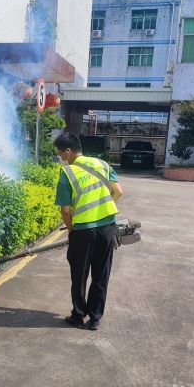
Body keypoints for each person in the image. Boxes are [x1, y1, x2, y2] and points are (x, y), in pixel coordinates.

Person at [54, 132, 123, 330]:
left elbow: (66, 210)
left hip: (82, 232)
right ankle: (95, 318)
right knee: (101, 274)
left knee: (79, 275)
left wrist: (71, 229)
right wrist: (102, 207)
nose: (60, 157)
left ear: (68, 151)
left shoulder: (67, 173)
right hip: (107, 229)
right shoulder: (103, 165)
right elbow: (118, 191)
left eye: (60, 153)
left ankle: (78, 315)